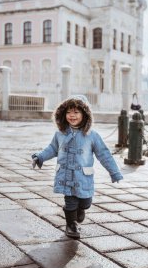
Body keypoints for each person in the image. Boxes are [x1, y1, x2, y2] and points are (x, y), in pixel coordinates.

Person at [31, 96, 123, 239]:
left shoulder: (92, 135)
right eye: (68, 112)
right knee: (70, 202)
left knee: (85, 202)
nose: (72, 116)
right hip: (66, 176)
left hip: (83, 178)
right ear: (63, 114)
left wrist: (114, 172)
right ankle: (71, 225)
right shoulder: (60, 134)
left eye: (76, 112)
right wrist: (40, 156)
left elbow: (104, 154)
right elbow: (52, 148)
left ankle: (82, 209)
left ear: (84, 115)